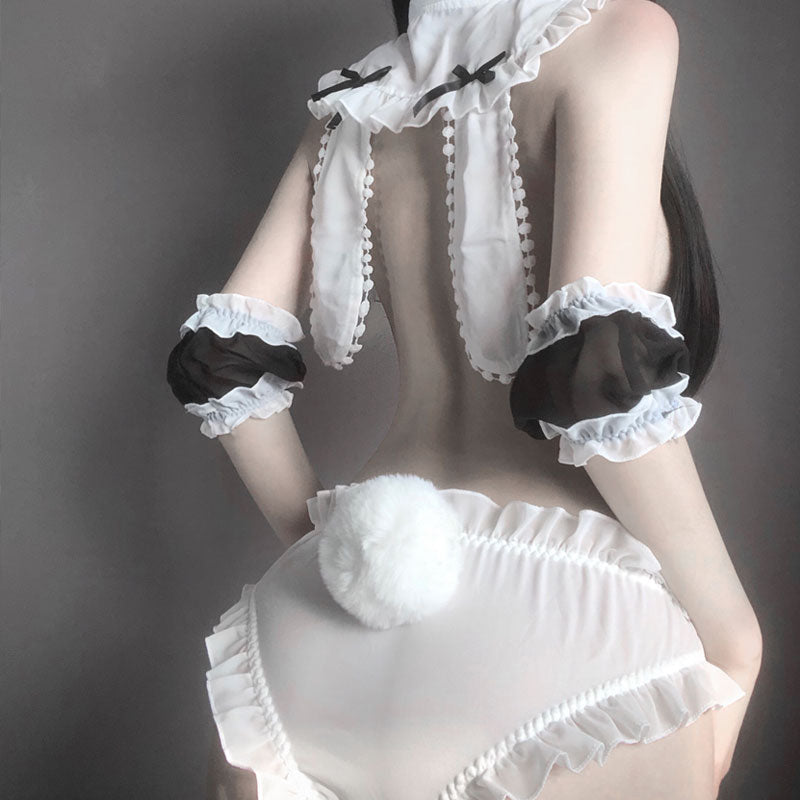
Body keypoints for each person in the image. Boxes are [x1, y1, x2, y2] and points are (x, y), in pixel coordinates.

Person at [166, 1, 763, 798]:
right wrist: (733, 636)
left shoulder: (353, 101)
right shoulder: (623, 32)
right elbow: (599, 375)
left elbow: (219, 360)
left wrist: (335, 553)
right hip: (560, 634)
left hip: (308, 636)